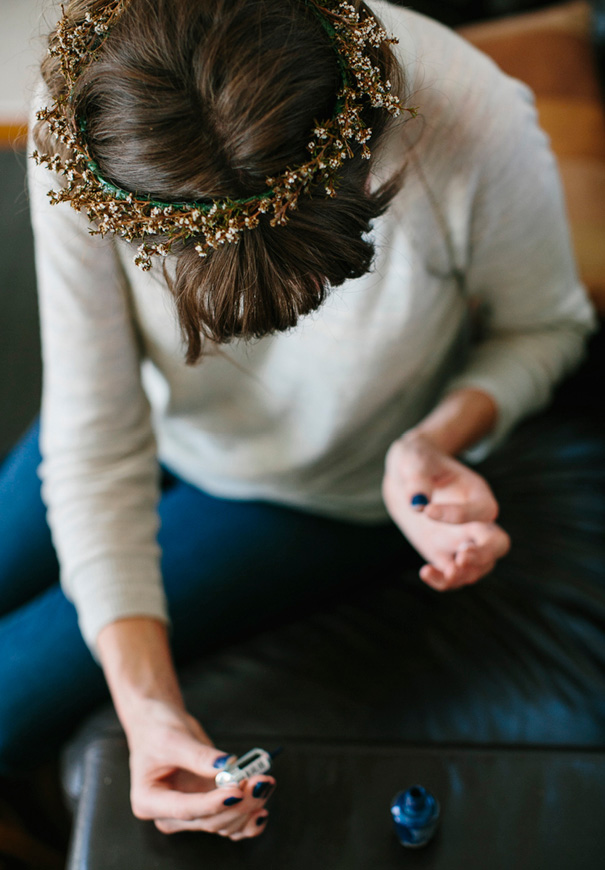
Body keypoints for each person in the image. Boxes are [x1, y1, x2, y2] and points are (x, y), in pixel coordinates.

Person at [0, 0, 595, 845]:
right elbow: (93, 432)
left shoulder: (470, 114)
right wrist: (147, 706)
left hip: (322, 492)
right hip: (155, 426)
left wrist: (434, 439)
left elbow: (547, 326)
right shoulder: (88, 115)